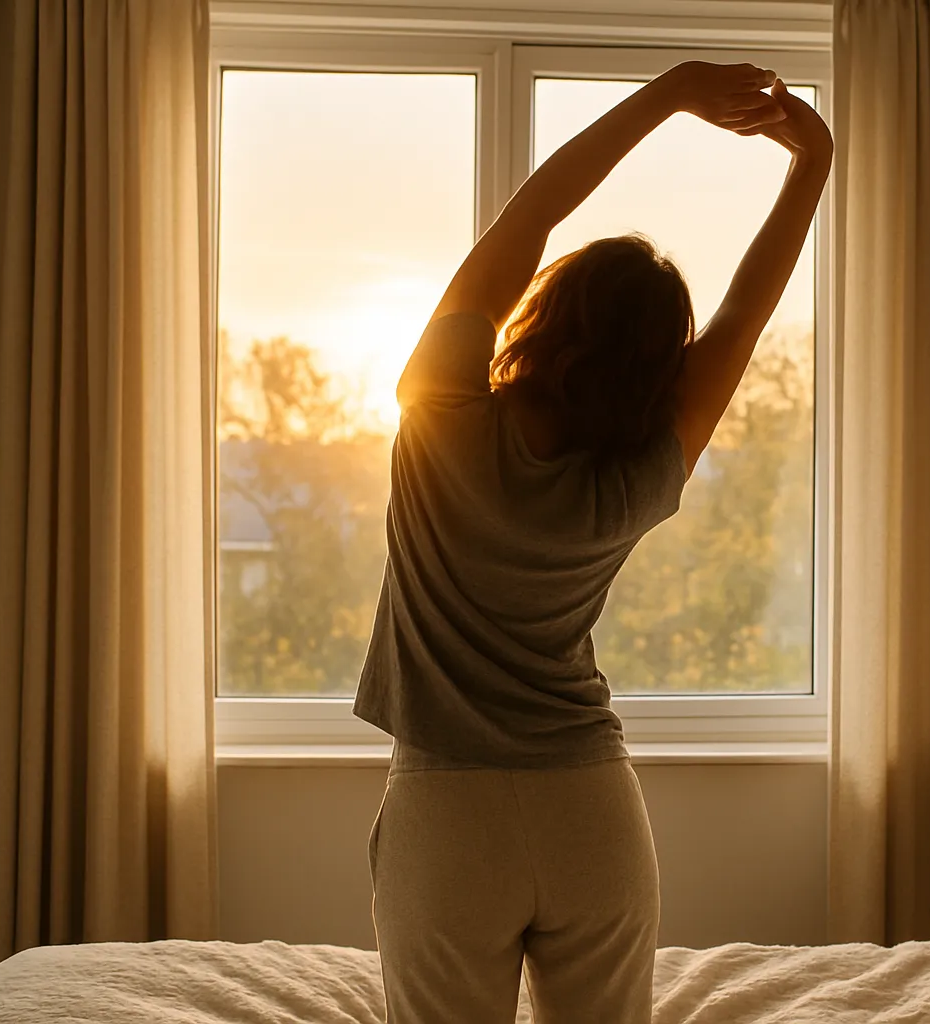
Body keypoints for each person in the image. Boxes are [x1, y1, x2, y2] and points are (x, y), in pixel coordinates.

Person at [353, 61, 833, 1024]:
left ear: (544, 309)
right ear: (659, 367)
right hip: (592, 810)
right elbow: (743, 320)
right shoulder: (642, 473)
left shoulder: (440, 407)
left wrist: (667, 95)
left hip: (446, 814)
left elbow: (524, 223)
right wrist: (811, 165)